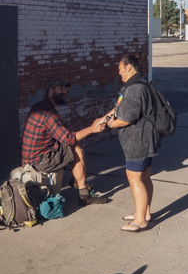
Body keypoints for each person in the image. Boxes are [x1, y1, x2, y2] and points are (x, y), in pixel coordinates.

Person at [20, 78, 109, 205]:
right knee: (77, 150)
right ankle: (84, 194)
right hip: (38, 161)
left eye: (65, 89)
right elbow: (68, 138)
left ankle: (77, 182)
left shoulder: (39, 106)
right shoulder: (48, 113)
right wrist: (92, 129)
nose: (66, 92)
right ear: (51, 91)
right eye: (61, 89)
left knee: (74, 144)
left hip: (32, 157)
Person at [96, 54, 159, 233]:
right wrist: (104, 118)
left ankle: (140, 220)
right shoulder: (135, 86)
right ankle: (144, 213)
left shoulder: (135, 89)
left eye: (120, 69)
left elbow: (125, 118)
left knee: (134, 178)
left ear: (129, 67)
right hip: (144, 140)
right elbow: (118, 109)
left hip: (138, 141)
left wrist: (109, 124)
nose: (119, 73)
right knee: (144, 177)